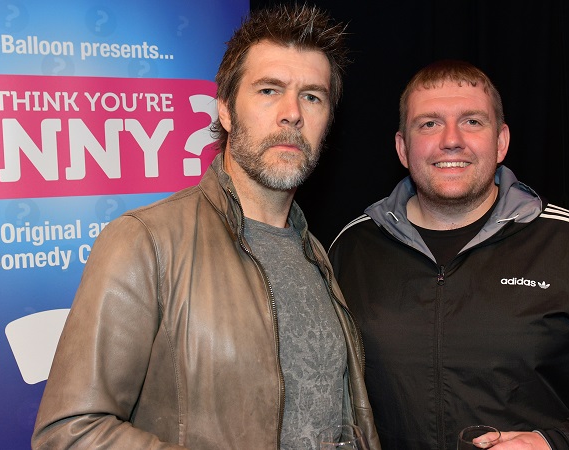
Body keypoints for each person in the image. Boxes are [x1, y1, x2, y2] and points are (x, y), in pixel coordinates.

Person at [32, 5, 380, 449]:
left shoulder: (315, 252)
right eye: (269, 90)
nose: (292, 113)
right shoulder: (145, 242)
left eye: (313, 96)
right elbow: (69, 432)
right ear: (227, 112)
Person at [329, 60, 569, 450]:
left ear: (501, 142)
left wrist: (556, 444)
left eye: (472, 121)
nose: (451, 140)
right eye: (429, 124)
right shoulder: (352, 248)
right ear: (403, 148)